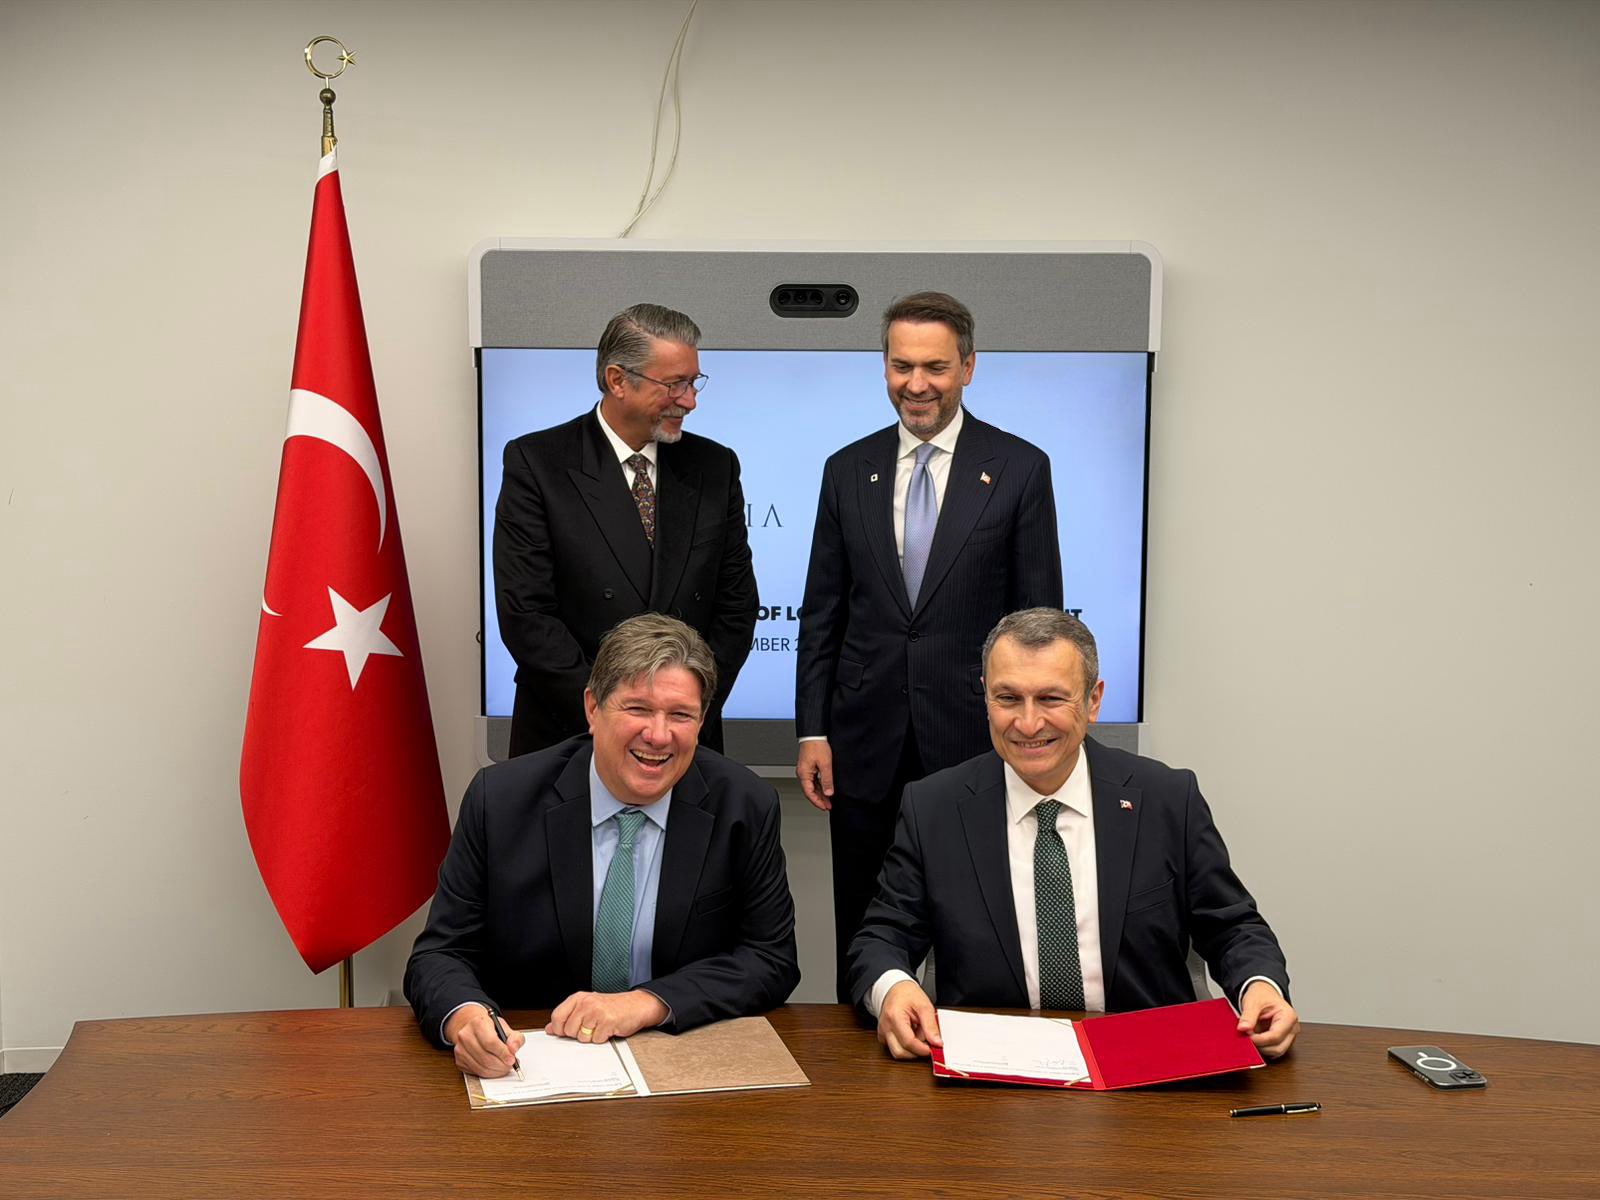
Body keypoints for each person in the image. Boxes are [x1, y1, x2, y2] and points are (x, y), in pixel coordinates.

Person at [847, 608, 1298, 1061]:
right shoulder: (933, 808)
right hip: (992, 1070)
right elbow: (881, 937)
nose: (1028, 723)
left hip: (1147, 1062)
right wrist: (894, 988)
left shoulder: (1166, 799)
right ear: (985, 696)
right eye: (1008, 698)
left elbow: (1233, 927)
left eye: (1050, 699)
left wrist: (1260, 988)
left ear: (1093, 700)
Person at [794, 291, 1063, 1000]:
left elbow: (1039, 624)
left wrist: (1032, 729)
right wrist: (813, 730)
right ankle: (864, 1047)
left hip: (974, 738)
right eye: (901, 366)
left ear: (968, 368)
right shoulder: (846, 469)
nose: (916, 384)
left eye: (935, 367)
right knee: (864, 923)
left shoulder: (1019, 467)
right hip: (863, 740)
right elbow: (822, 613)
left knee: (974, 924)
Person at [404, 614, 800, 1078]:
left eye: (680, 715)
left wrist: (648, 1002)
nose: (658, 735)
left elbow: (770, 959)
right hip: (530, 1065)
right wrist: (466, 1018)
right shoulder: (502, 801)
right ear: (593, 708)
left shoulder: (743, 805)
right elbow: (440, 954)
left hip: (681, 1067)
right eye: (638, 709)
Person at [494, 303, 758, 757]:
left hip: (681, 740)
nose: (690, 401)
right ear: (618, 380)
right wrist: (610, 716)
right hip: (570, 733)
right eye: (674, 384)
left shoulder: (715, 466)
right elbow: (526, 614)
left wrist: (683, 711)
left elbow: (736, 606)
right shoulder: (538, 463)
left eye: (694, 382)